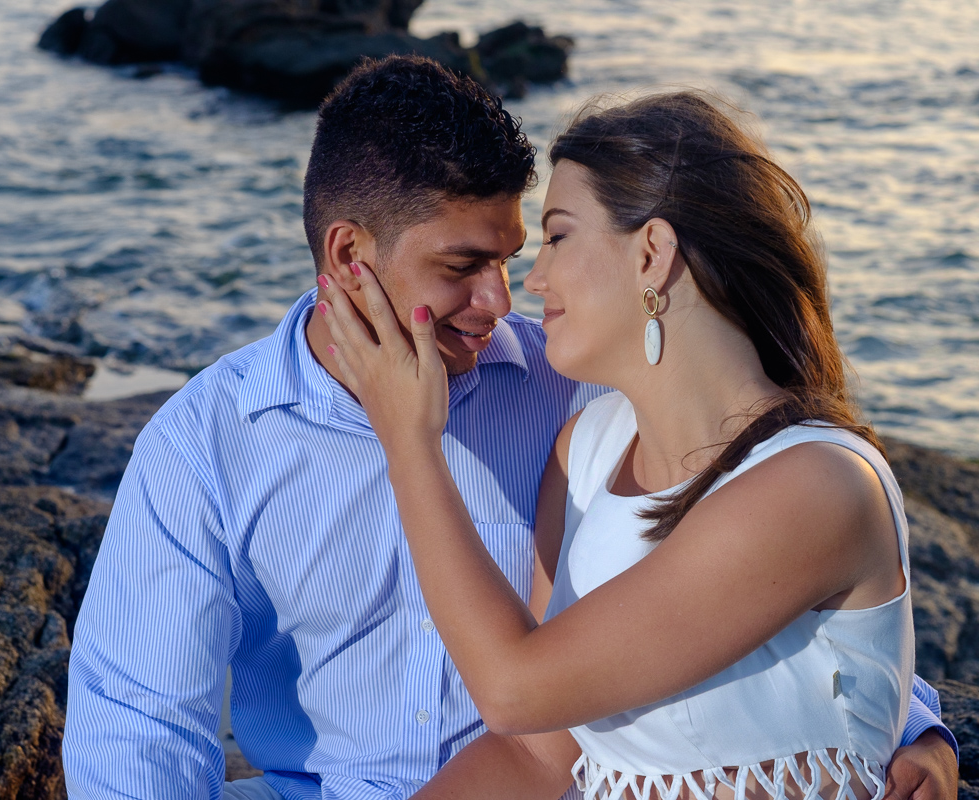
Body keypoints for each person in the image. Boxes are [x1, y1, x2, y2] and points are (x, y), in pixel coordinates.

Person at [61, 57, 957, 800]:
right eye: (464, 265)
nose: (503, 299)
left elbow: (755, 568)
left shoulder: (571, 386)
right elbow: (137, 733)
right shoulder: (207, 442)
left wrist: (904, 720)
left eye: (521, 253)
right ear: (348, 256)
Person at [314, 89, 959, 800]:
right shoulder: (582, 454)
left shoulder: (813, 484)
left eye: (557, 237)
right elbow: (533, 754)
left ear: (652, 252)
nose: (531, 281)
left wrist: (410, 443)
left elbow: (513, 689)